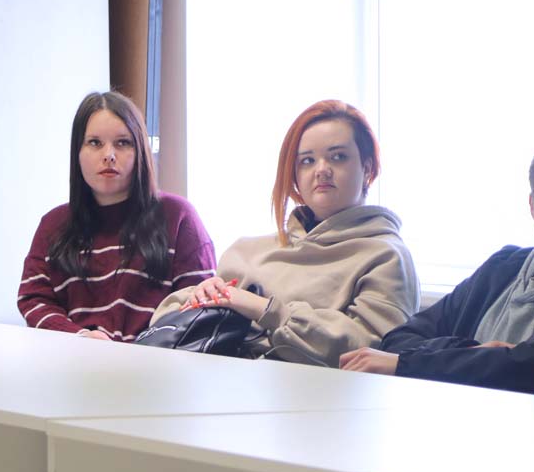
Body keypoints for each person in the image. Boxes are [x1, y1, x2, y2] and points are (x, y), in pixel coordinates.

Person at [151, 99, 419, 367]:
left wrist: (264, 309)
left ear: (368, 167)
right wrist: (200, 296)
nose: (321, 170)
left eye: (338, 157)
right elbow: (163, 324)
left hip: (308, 389)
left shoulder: (385, 256)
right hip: (213, 376)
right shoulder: (246, 251)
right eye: (307, 161)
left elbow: (372, 352)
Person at [339, 137, 534, 394]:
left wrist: (417, 363)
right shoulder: (504, 267)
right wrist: (478, 351)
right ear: (532, 205)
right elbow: (399, 339)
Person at [18, 91, 216, 341]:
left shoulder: (179, 217)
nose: (109, 155)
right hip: (76, 357)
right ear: (77, 152)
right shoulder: (53, 225)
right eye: (94, 143)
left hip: (159, 358)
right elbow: (34, 299)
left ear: (140, 151)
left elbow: (200, 303)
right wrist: (79, 337)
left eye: (123, 143)